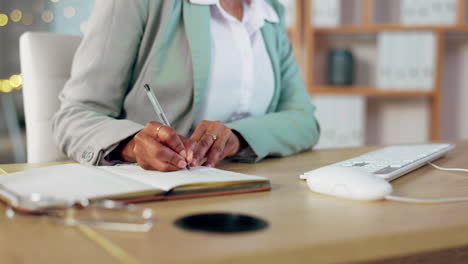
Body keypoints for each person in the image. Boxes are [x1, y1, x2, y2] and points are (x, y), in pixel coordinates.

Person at [52, 0, 320, 172]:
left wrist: (235, 139)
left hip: (250, 191)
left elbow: (304, 120)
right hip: (156, 198)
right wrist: (134, 145)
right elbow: (73, 117)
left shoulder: (270, 12)